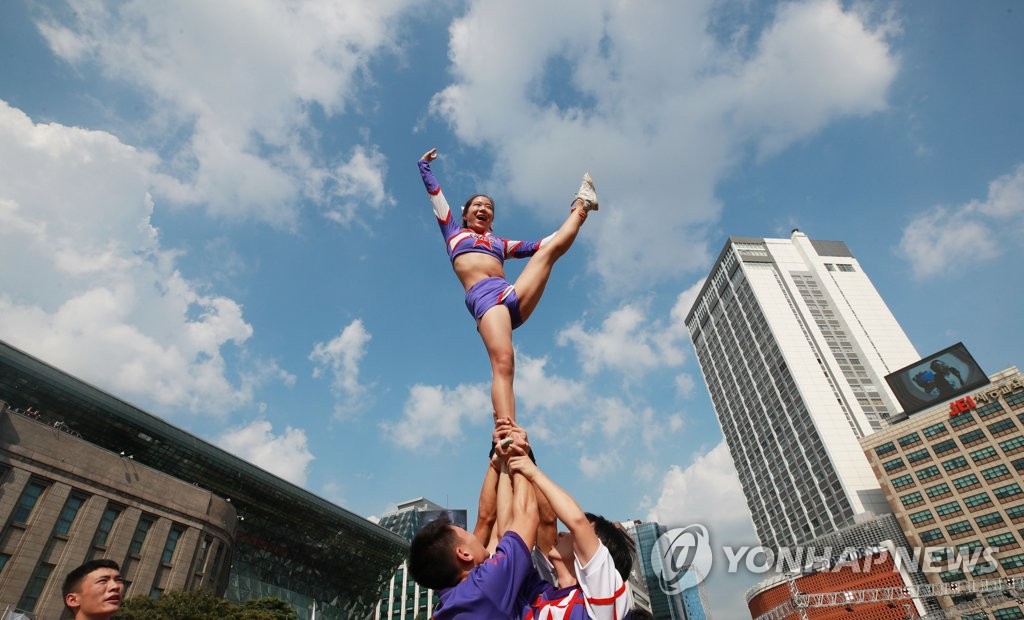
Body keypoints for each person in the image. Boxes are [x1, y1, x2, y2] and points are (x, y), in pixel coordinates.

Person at [418, 148, 597, 423]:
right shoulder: (453, 232)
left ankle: (582, 205)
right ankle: (507, 430)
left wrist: (567, 225)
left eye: (488, 208)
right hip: (486, 300)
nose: (483, 209)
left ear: (492, 218)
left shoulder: (499, 244)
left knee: (547, 254)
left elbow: (540, 244)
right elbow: (435, 195)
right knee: (504, 362)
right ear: (465, 214)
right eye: (477, 205)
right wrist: (424, 167)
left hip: (511, 293)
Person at [407, 438, 540, 618]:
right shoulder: (484, 587)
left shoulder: (449, 603)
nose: (474, 534)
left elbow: (490, 524)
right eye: (466, 533)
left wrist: (497, 465)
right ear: (464, 554)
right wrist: (520, 453)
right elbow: (526, 516)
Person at [507, 442, 635, 620]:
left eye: (573, 533)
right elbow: (511, 531)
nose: (562, 533)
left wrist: (531, 469)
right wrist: (509, 456)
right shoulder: (540, 594)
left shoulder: (604, 603)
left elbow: (576, 521)